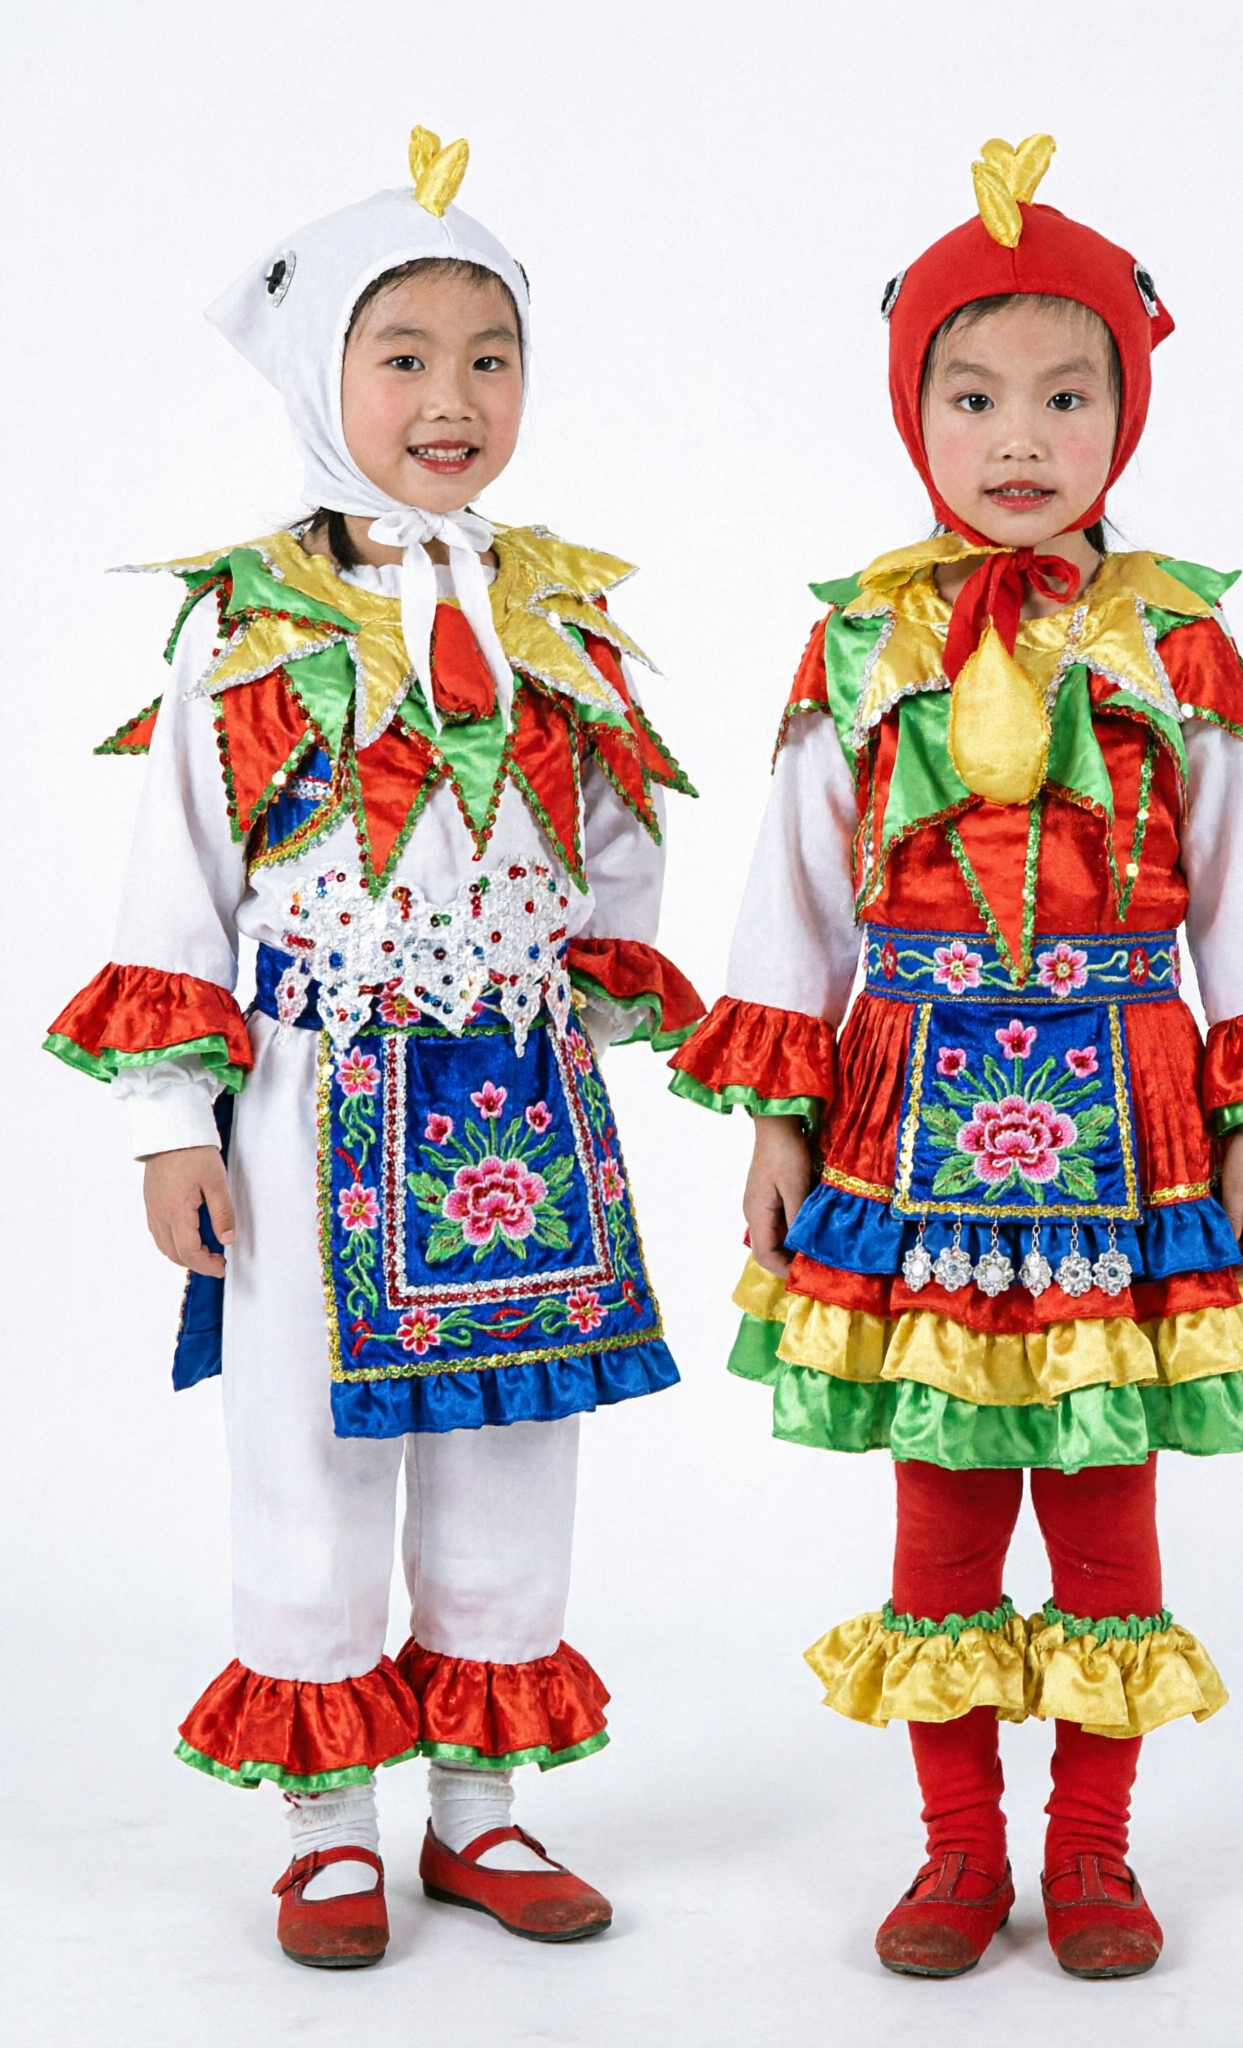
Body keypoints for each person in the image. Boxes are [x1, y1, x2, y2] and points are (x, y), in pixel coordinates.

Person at [671, 136, 1243, 1980]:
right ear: (916, 413)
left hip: (1134, 1126)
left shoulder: (1177, 644)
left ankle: (1096, 1853)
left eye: (1068, 397)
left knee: (1110, 1499)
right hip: (909, 1127)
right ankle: (958, 1854)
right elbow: (794, 897)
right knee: (942, 1497)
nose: (1019, 437)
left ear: (1123, 415)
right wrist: (779, 1114)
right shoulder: (860, 642)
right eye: (973, 396)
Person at [45, 129, 701, 1969]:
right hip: (311, 1102)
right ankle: (331, 1829)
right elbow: (179, 876)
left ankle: (482, 1816)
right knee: (310, 1454)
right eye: (401, 355)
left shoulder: (561, 611)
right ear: (319, 376)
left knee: (516, 1443)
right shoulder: (247, 626)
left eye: (488, 358)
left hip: (516, 1102)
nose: (451, 398)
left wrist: (587, 1006)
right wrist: (176, 1115)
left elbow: (625, 835)